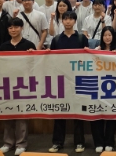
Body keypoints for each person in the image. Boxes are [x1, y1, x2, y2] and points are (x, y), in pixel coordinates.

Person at [49, 12, 88, 153]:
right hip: (61, 80)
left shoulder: (82, 38)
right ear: (61, 21)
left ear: (75, 21)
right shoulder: (57, 39)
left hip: (78, 80)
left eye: (71, 19)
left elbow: (86, 60)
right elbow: (51, 59)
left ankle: (79, 142)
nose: (68, 21)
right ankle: (57, 142)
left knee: (78, 113)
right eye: (65, 19)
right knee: (60, 112)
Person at [0, 18, 34, 155]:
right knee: (8, 114)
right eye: (10, 27)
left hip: (23, 84)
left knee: (21, 115)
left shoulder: (29, 45)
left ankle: (21, 144)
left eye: (16, 27)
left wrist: (33, 55)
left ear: (22, 28)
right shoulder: (3, 46)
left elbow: (35, 65)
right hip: (7, 83)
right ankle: (8, 143)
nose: (13, 30)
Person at [91, 27, 116, 153]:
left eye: (110, 35)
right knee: (97, 114)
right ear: (102, 37)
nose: (107, 37)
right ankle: (98, 142)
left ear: (113, 37)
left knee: (112, 116)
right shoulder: (96, 50)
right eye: (105, 35)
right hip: (98, 87)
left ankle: (109, 142)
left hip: (114, 88)